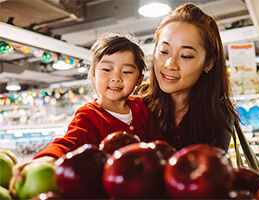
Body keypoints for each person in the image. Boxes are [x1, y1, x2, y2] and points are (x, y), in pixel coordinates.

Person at [9, 33, 162, 194]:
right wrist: (45, 160)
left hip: (145, 188)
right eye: (107, 69)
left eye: (126, 72)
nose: (116, 77)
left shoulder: (142, 108)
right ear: (94, 74)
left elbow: (159, 144)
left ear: (139, 78)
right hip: (107, 191)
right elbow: (68, 143)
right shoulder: (89, 115)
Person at [138, 3, 239, 151]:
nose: (169, 64)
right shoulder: (136, 102)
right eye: (164, 51)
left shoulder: (218, 115)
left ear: (208, 63)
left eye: (185, 56)